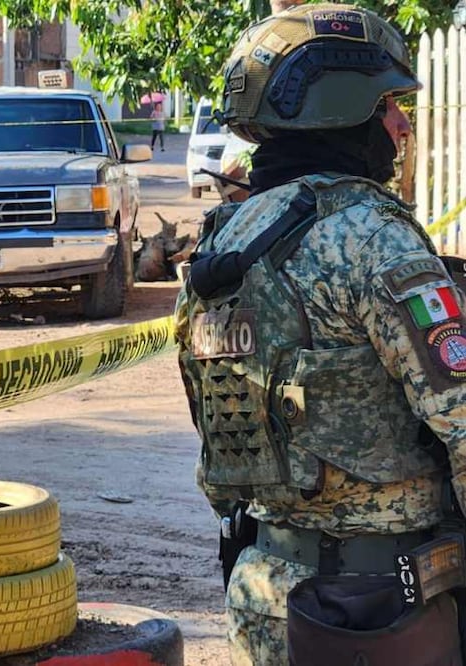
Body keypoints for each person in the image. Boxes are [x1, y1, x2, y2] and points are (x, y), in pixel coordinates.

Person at [175, 4, 466, 665]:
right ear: (343, 111)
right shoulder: (371, 237)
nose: (398, 124)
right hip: (381, 610)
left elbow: (215, 421)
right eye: (386, 105)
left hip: (263, 592)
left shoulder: (222, 244)